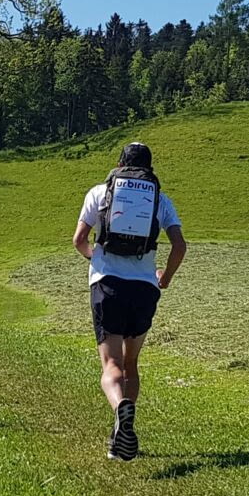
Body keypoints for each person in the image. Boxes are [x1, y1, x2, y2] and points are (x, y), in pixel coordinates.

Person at [72, 142, 186, 461]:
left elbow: (79, 240)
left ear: (120, 164)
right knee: (131, 363)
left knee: (111, 365)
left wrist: (95, 259)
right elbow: (179, 247)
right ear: (149, 168)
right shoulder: (160, 200)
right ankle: (119, 433)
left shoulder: (99, 193)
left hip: (107, 284)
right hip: (144, 289)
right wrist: (163, 279)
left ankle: (120, 407)